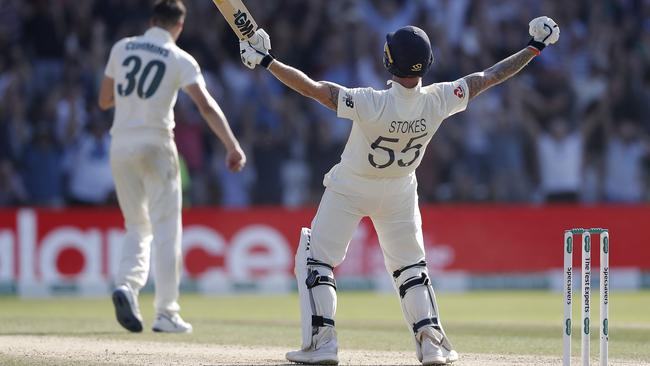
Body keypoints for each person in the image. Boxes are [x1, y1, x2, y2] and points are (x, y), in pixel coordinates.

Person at [240, 16, 559, 365]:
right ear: (429, 62)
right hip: (400, 191)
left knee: (317, 261)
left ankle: (322, 343)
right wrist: (534, 47)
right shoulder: (439, 99)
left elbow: (313, 88)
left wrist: (268, 61)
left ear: (387, 60)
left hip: (350, 187)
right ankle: (432, 344)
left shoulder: (369, 102)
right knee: (411, 268)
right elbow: (490, 77)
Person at [98, 0, 246, 333]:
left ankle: (127, 286)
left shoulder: (122, 48)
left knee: (137, 226)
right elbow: (205, 106)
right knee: (166, 230)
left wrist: (134, 101)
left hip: (120, 144)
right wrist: (232, 145)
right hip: (157, 144)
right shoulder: (181, 58)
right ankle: (166, 313)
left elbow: (104, 100)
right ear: (179, 27)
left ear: (152, 21)